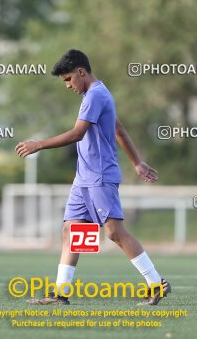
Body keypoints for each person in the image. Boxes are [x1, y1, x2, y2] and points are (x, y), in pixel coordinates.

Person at [15, 50, 171, 305]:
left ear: (81, 72)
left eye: (68, 79)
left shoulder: (96, 95)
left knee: (114, 232)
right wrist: (137, 162)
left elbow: (77, 133)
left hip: (99, 176)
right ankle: (60, 293)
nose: (67, 85)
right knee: (71, 229)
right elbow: (118, 128)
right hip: (83, 179)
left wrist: (39, 145)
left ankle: (156, 284)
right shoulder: (95, 95)